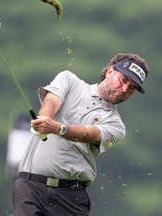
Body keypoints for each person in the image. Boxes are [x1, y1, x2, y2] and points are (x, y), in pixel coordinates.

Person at [12, 53, 149, 216]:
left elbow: (89, 134)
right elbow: (52, 100)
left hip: (70, 198)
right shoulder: (70, 80)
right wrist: (44, 120)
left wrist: (57, 128)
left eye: (132, 88)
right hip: (30, 187)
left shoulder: (117, 126)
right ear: (110, 71)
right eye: (124, 80)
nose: (125, 89)